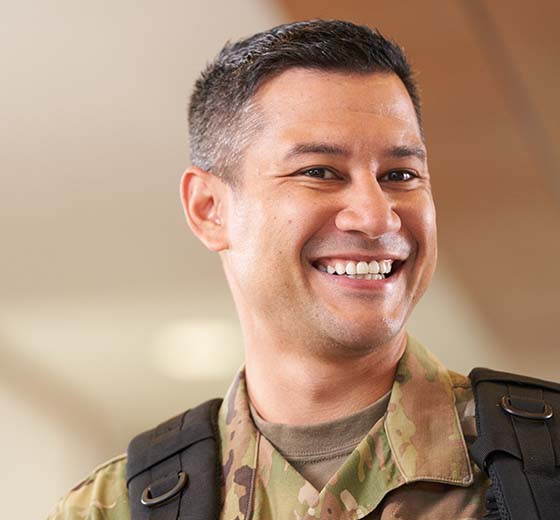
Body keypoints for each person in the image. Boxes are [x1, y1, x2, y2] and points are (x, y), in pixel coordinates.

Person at [48, 19, 490, 519]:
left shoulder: (543, 467)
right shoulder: (113, 508)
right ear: (209, 209)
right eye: (319, 172)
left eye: (400, 175)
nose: (375, 215)